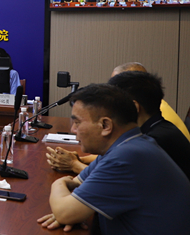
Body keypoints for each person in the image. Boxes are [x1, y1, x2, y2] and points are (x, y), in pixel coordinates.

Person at [37, 84, 190, 235]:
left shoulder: (127, 157)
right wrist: (70, 199)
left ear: (105, 125)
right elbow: (78, 185)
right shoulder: (125, 146)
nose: (73, 130)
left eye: (77, 122)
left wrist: (59, 186)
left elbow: (65, 211)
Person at [48, 71, 190, 180]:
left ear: (133, 107)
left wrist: (74, 165)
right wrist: (79, 159)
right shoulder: (154, 128)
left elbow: (113, 178)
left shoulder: (153, 141)